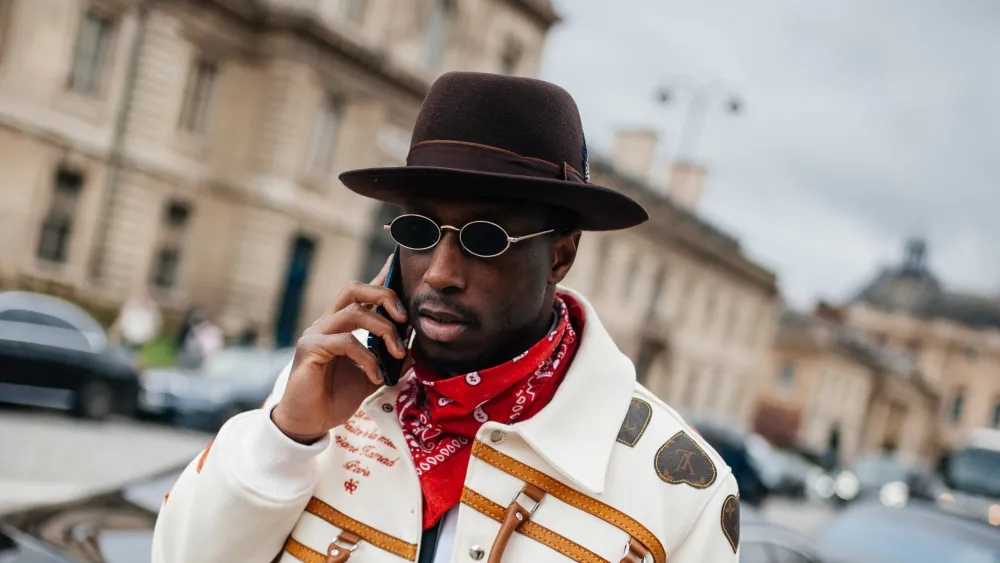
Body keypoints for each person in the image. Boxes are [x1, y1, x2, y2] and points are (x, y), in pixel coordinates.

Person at [152, 72, 741, 563]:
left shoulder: (681, 492)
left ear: (560, 254)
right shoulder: (326, 396)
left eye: (484, 238)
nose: (439, 272)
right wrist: (288, 437)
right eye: (418, 230)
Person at [111, 286, 161, 355]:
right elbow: (123, 320)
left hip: (138, 337)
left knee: (131, 352)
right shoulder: (131, 306)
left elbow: (154, 322)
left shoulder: (149, 308)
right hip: (129, 336)